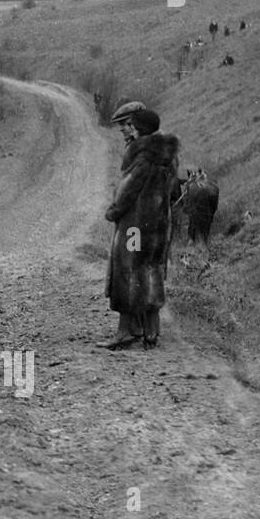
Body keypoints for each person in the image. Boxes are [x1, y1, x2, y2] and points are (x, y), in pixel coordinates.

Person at [101, 104, 179, 350]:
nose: (124, 131)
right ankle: (150, 331)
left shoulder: (143, 156)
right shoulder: (167, 155)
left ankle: (126, 332)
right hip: (157, 225)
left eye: (127, 126)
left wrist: (113, 211)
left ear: (137, 129)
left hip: (134, 224)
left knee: (127, 271)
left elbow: (128, 190)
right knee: (151, 271)